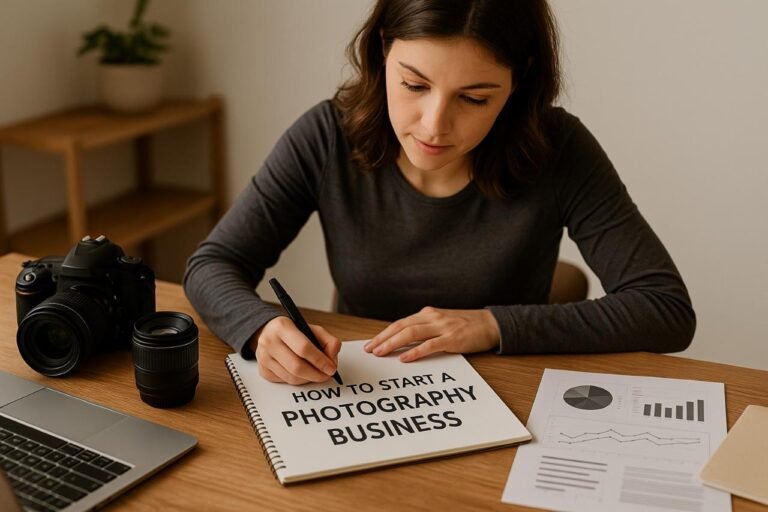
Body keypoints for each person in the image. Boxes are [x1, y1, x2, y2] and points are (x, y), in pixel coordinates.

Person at [184, 0, 695, 385]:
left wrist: (493, 325)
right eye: (413, 85)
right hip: (367, 390)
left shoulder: (557, 147)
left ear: (519, 83)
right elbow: (212, 264)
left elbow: (664, 308)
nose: (434, 125)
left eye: (474, 98)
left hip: (508, 389)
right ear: (384, 48)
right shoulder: (327, 135)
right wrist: (259, 328)